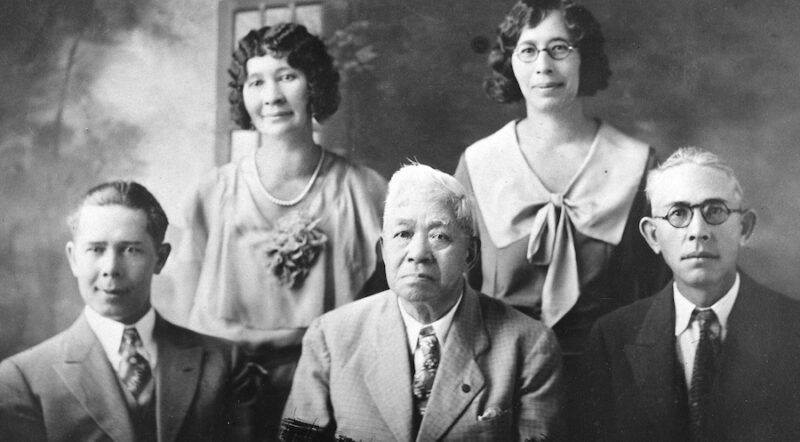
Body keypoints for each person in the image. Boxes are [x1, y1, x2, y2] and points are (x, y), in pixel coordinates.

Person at [173, 23, 387, 432]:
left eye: (287, 76)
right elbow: (187, 325)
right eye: (256, 81)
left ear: (315, 85)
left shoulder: (366, 191)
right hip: (229, 397)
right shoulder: (210, 194)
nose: (271, 97)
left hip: (333, 392)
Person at [282, 164, 564, 441]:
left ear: (470, 254)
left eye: (439, 236)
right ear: (384, 250)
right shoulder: (330, 338)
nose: (418, 253)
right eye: (403, 234)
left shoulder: (529, 346)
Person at [454, 0, 669, 360]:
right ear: (511, 63)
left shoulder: (637, 162)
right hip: (501, 372)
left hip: (612, 375)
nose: (543, 66)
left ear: (584, 57)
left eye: (559, 49)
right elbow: (457, 290)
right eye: (528, 50)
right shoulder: (478, 163)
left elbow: (658, 292)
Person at [0, 181, 258, 442]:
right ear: (74, 258)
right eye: (96, 249)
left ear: (160, 258)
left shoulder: (223, 363)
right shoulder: (21, 378)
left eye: (131, 249)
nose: (111, 268)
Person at [582, 147, 800, 441]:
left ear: (744, 228)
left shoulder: (792, 328)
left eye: (715, 211)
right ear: (653, 236)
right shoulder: (613, 337)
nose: (698, 231)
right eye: (678, 214)